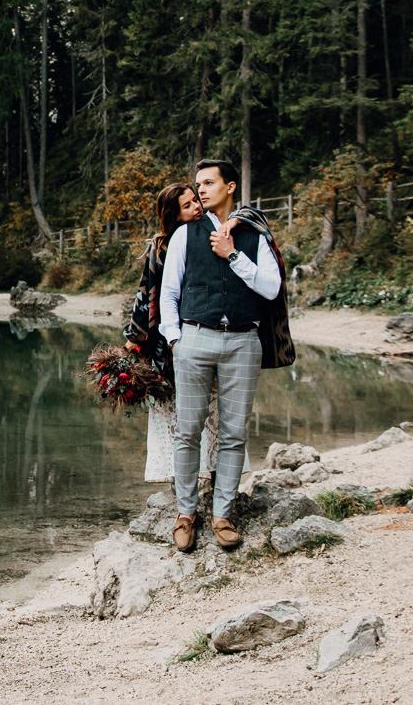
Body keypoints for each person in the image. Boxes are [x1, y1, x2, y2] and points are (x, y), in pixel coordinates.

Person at [159, 159, 282, 552]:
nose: (200, 192)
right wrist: (176, 339)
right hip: (194, 340)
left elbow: (271, 289)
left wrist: (233, 255)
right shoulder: (184, 235)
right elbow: (169, 293)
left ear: (230, 187)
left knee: (233, 433)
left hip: (244, 341)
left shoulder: (253, 235)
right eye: (197, 186)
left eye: (209, 183)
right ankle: (185, 514)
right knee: (188, 430)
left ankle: (222, 515)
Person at [122, 184, 242, 485]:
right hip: (170, 341)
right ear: (173, 215)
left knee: (213, 408)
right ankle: (182, 485)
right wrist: (133, 340)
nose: (196, 207)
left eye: (194, 201)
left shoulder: (215, 232)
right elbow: (146, 294)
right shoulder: (161, 246)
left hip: (208, 331)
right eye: (186, 206)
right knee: (177, 413)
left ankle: (217, 480)